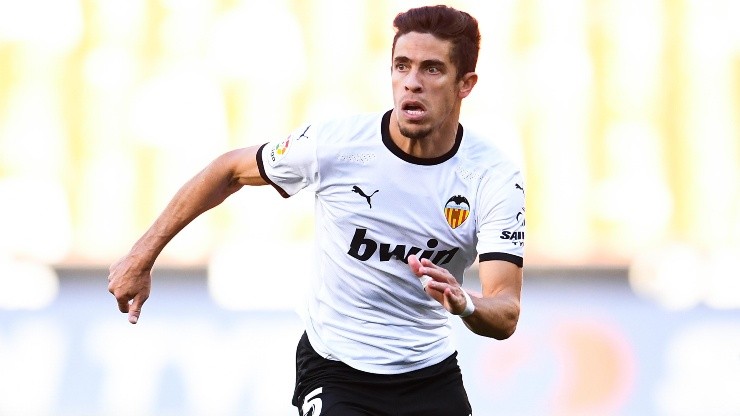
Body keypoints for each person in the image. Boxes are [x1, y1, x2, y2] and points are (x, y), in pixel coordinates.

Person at [108, 5, 525, 415]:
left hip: (428, 373)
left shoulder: (492, 177)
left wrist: (464, 303)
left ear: (465, 83)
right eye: (401, 66)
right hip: (336, 368)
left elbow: (505, 309)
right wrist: (141, 256)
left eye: (431, 69)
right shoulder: (337, 146)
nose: (411, 83)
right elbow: (229, 170)